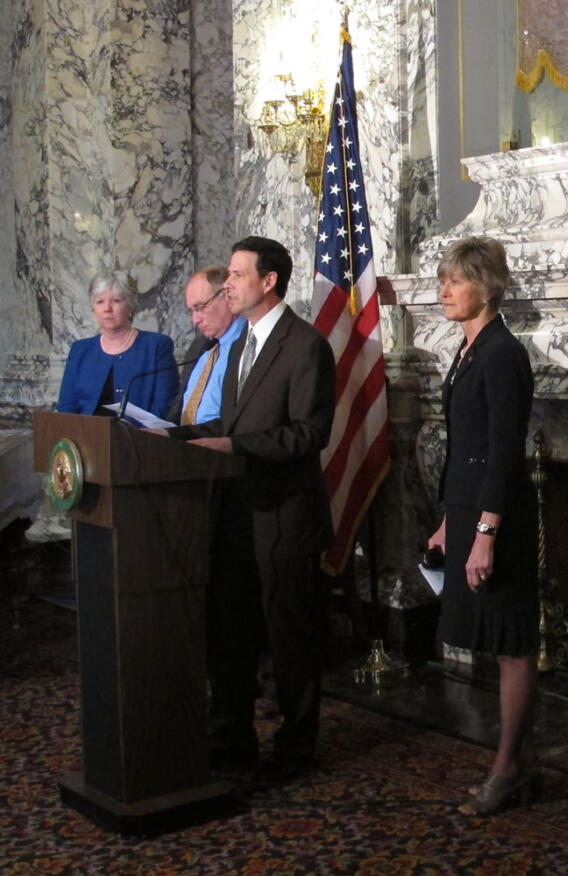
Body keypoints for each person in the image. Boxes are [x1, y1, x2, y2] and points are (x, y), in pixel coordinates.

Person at [164, 236, 336, 783]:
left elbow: (310, 433)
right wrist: (174, 434)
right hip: (235, 518)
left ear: (269, 281)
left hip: (284, 519)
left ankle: (296, 748)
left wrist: (234, 448)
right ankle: (231, 738)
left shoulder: (306, 346)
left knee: (290, 643)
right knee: (231, 638)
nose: (227, 285)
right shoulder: (237, 347)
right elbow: (232, 427)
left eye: (236, 276)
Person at [426, 236, 539, 816]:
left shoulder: (502, 353)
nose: (443, 290)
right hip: (470, 512)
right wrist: (451, 521)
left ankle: (507, 769)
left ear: (487, 288)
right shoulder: (467, 350)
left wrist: (486, 533)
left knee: (512, 644)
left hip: (502, 517)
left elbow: (502, 452)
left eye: (455, 281)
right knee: (493, 640)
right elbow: (462, 447)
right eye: (443, 280)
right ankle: (519, 759)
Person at [56, 271, 178, 418]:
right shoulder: (80, 350)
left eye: (116, 301)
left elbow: (164, 407)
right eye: (100, 302)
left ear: (130, 306)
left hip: (139, 437)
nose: (107, 309)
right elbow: (66, 409)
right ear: (93, 308)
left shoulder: (156, 347)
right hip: (86, 437)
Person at [171, 266, 246, 425]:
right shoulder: (200, 347)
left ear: (227, 295)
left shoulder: (250, 343)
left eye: (200, 307)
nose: (195, 320)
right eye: (191, 311)